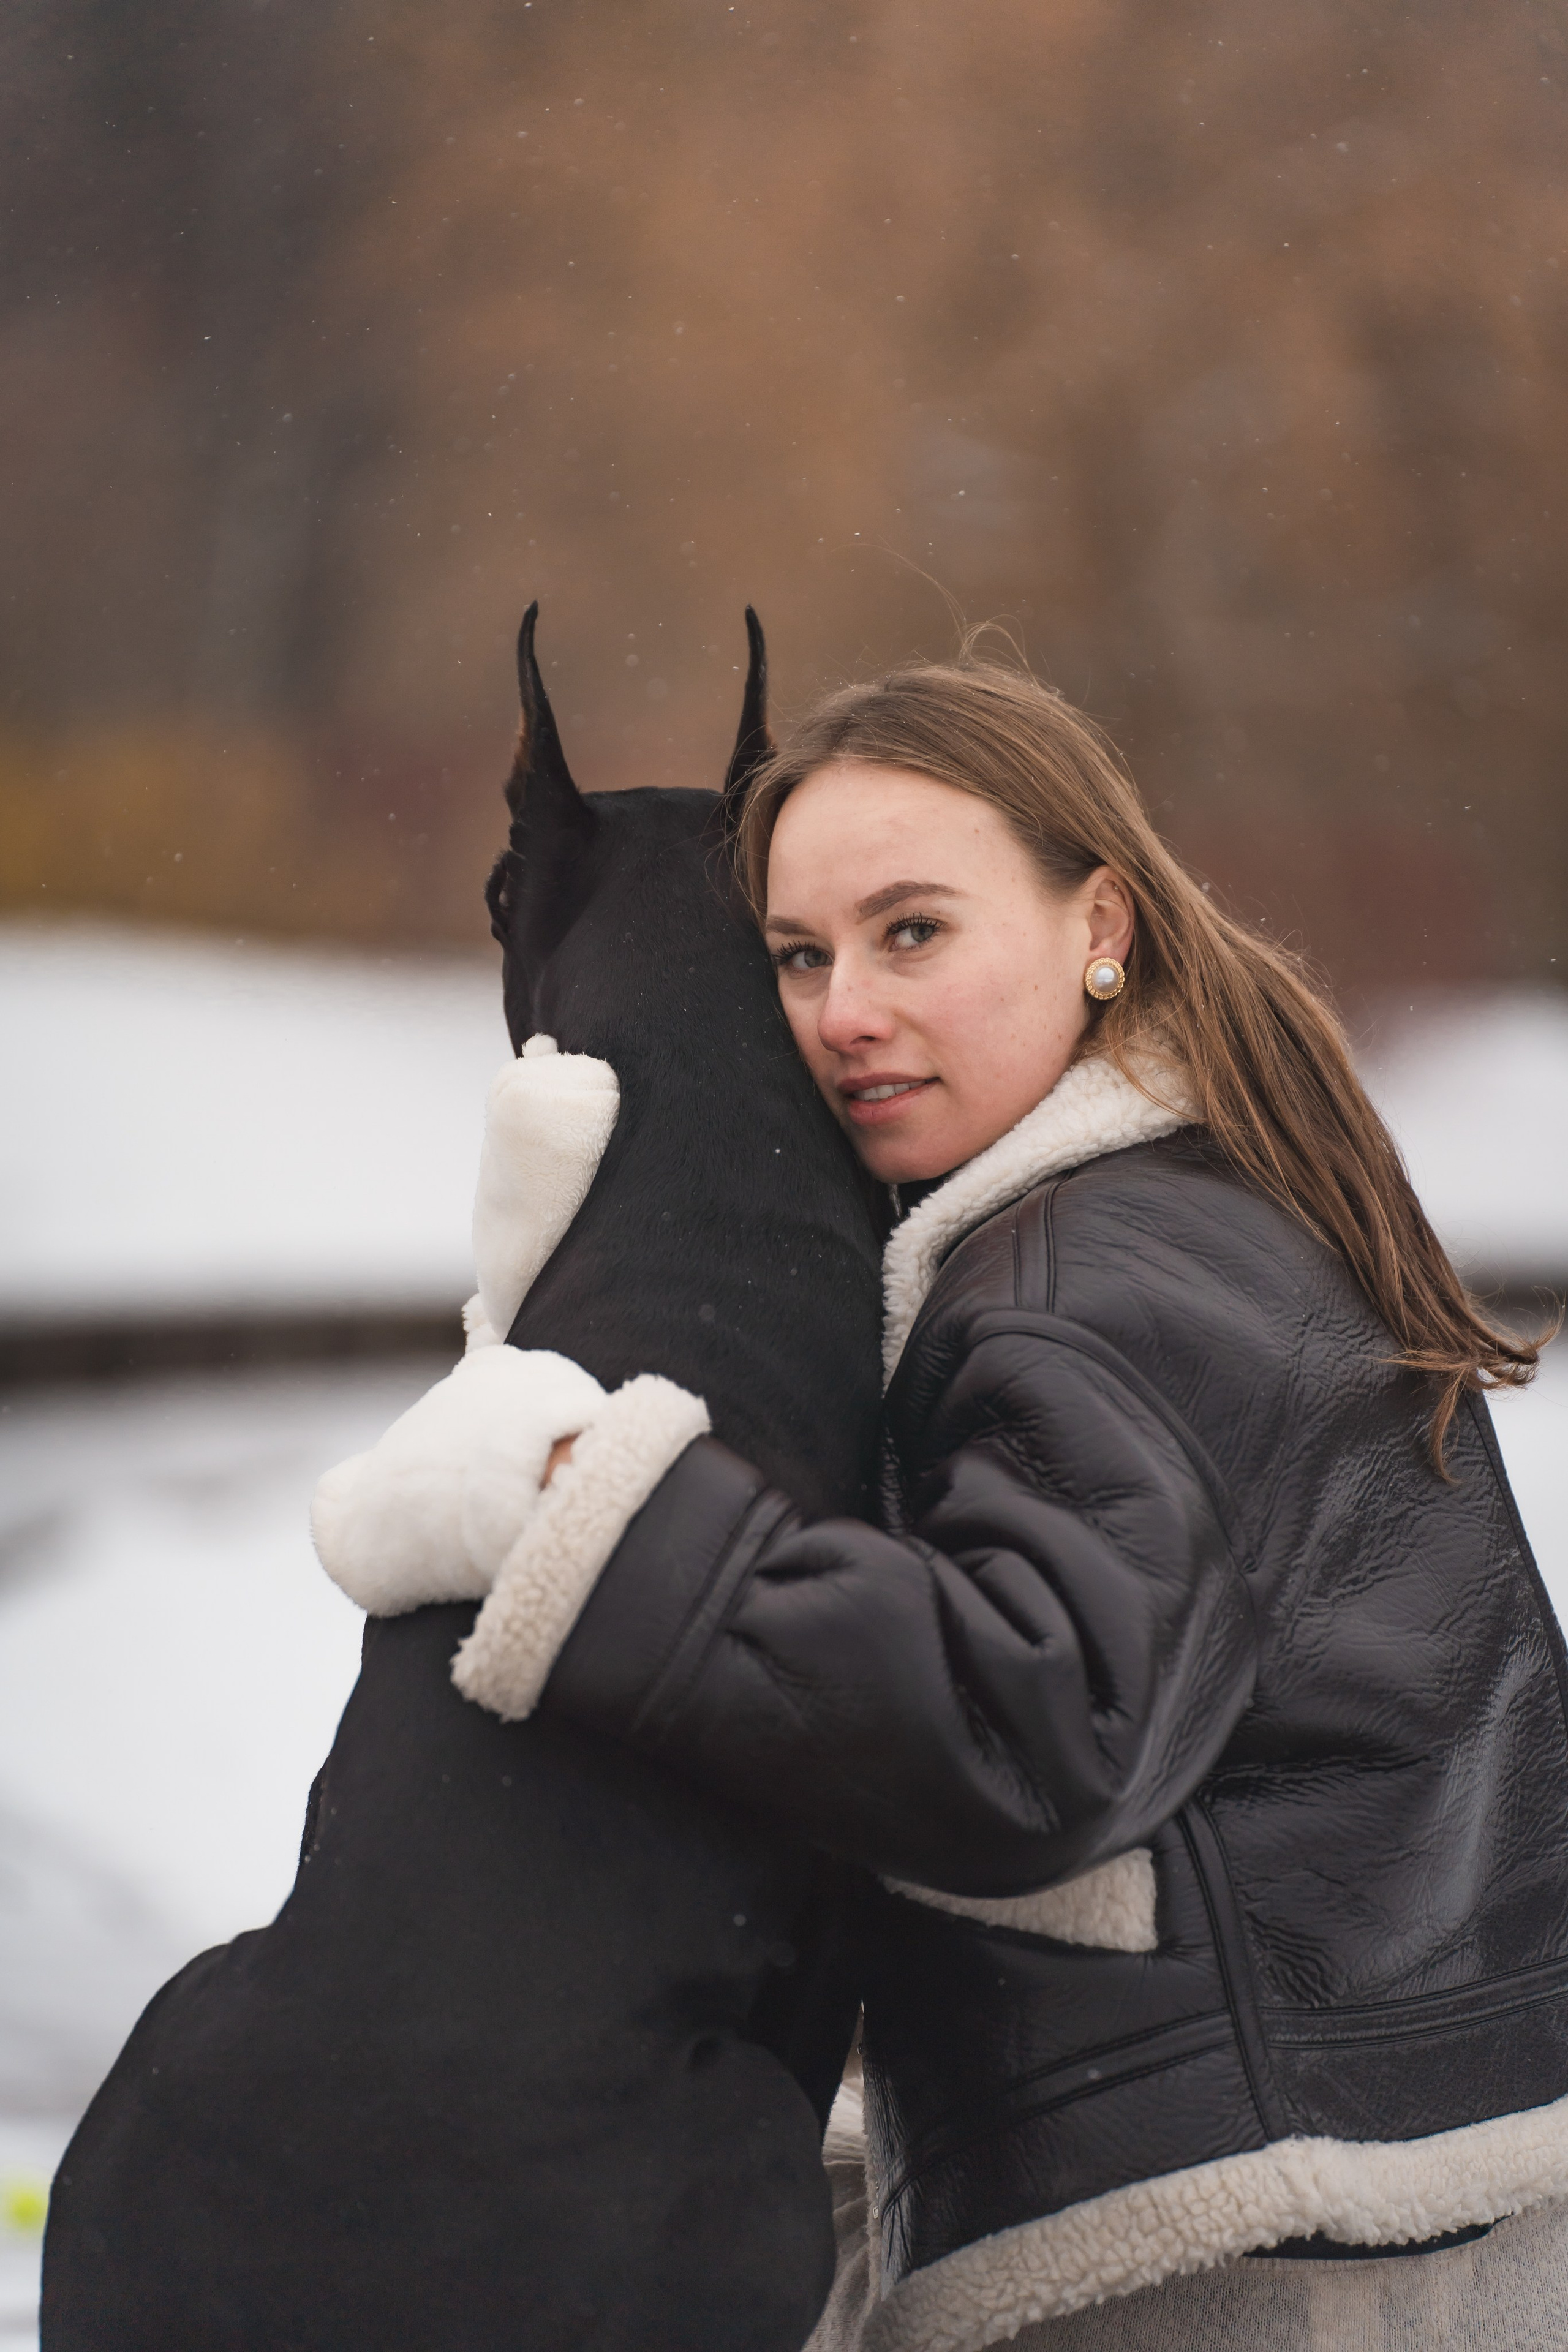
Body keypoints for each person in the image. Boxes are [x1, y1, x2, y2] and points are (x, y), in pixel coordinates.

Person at [454, 650, 1568, 2350]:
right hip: (1400, 2185)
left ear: (1100, 925)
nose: (843, 1011)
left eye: (914, 932)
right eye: (798, 956)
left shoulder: (1074, 1282)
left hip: (1231, 2255)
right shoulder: (1200, 1198)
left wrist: (596, 1513)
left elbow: (1027, 1729)